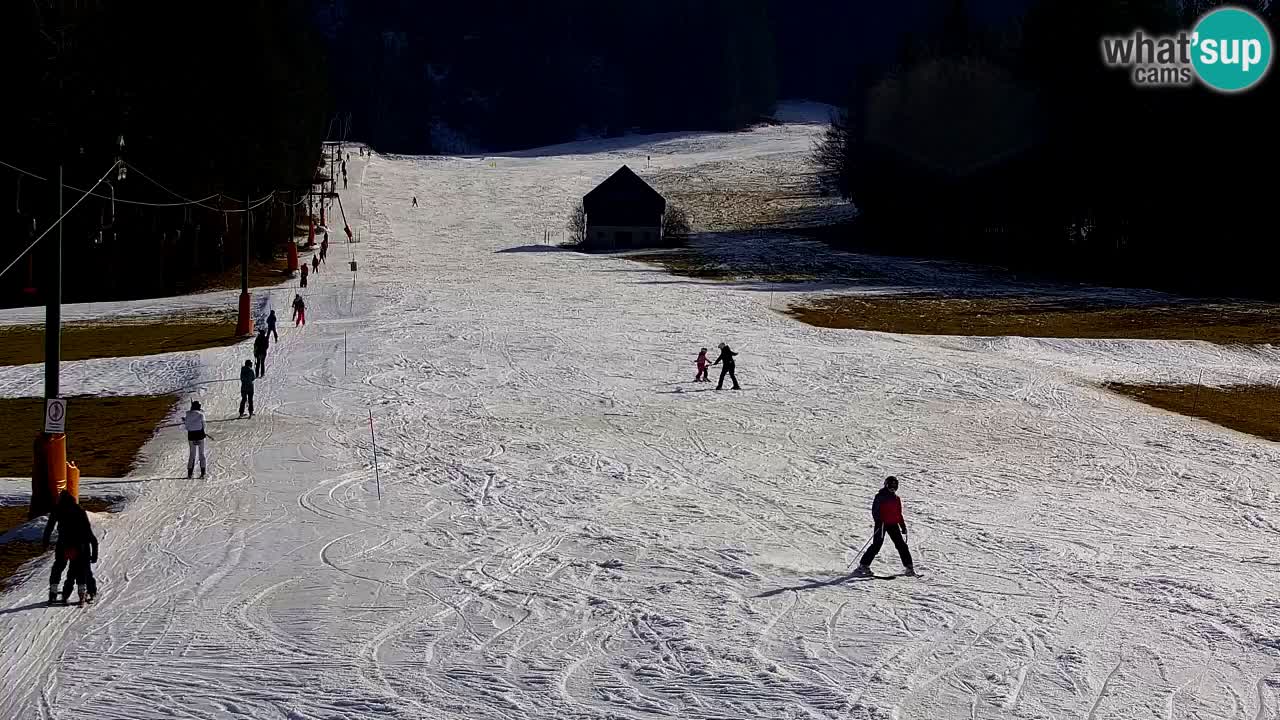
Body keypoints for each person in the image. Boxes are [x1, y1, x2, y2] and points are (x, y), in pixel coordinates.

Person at [43, 490, 99, 605]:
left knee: (58, 567)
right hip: (79, 544)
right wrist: (93, 551)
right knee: (83, 569)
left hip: (63, 543)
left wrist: (45, 543)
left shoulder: (57, 510)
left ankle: (53, 592)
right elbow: (87, 529)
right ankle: (88, 592)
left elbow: (49, 528)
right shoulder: (79, 510)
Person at [853, 476, 915, 577]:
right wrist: (879, 520)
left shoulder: (896, 498)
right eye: (891, 485)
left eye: (895, 486)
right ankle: (863, 565)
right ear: (886, 485)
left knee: (901, 545)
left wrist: (902, 526)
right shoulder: (880, 496)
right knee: (877, 545)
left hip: (893, 524)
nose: (893, 488)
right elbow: (875, 510)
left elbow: (898, 514)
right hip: (881, 524)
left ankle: (909, 567)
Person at [184, 400, 207, 479]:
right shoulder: (201, 414)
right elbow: (204, 426)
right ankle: (203, 473)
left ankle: (190, 473)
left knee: (192, 454)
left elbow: (186, 427)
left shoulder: (188, 414)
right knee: (201, 454)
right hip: (200, 435)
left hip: (191, 436)